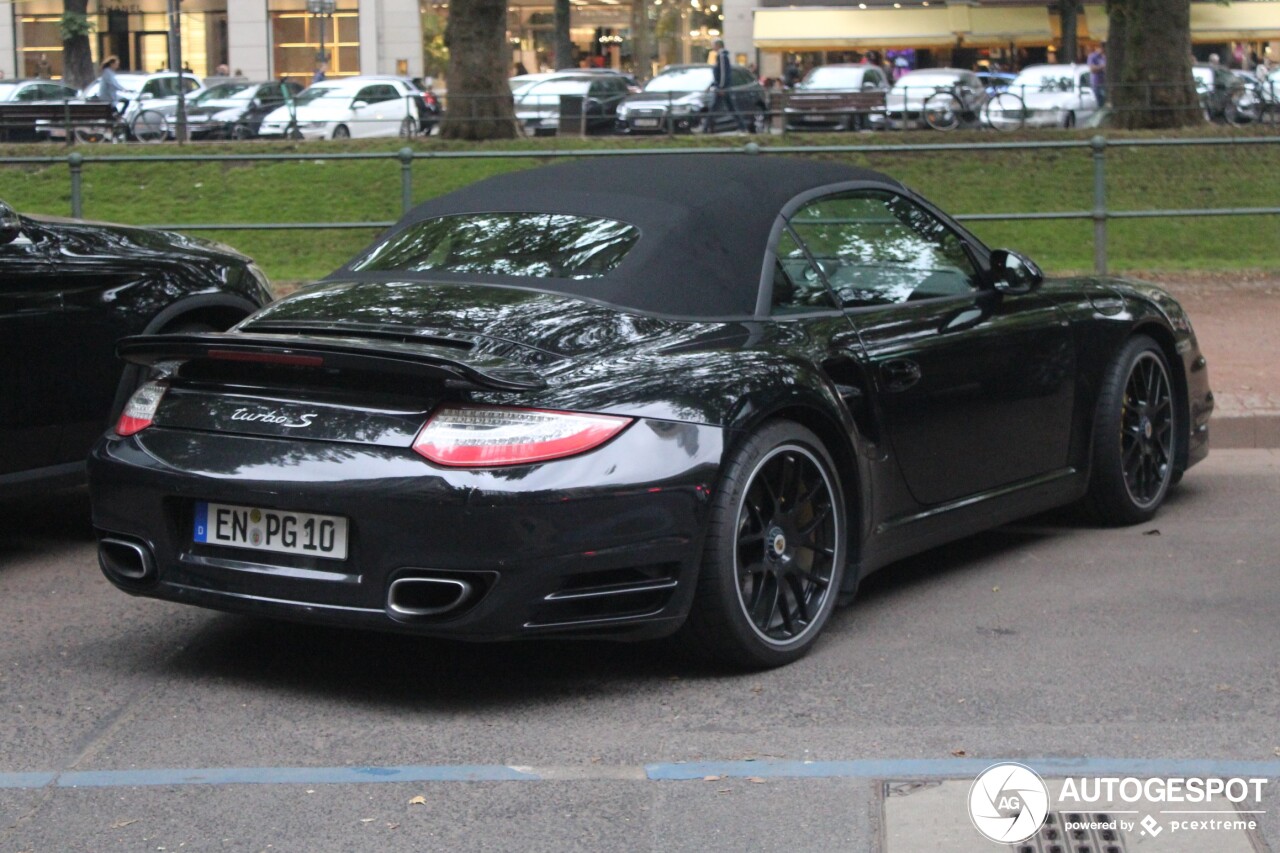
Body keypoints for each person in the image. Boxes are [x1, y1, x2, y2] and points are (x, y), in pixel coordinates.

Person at [707, 39, 746, 133]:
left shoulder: (721, 56)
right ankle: (742, 127)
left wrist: (721, 87)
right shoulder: (722, 56)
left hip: (722, 88)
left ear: (718, 46)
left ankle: (706, 128)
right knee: (730, 107)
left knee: (715, 108)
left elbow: (723, 73)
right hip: (723, 87)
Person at [1087, 42, 1107, 108]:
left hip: (1105, 83)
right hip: (1097, 84)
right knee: (1100, 103)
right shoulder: (1093, 57)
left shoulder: (1104, 57)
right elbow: (1092, 69)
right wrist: (1102, 67)